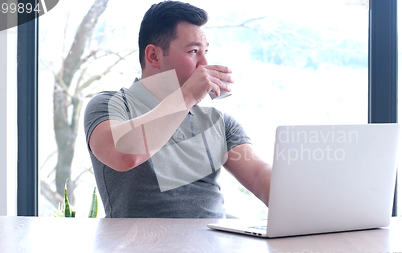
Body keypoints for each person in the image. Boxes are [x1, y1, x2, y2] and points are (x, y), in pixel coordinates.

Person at [84, 0, 271, 218]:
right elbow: (123, 154)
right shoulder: (110, 105)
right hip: (140, 248)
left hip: (214, 245)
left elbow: (258, 175)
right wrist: (188, 95)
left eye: (206, 52)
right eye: (193, 51)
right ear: (153, 56)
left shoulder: (219, 122)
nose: (205, 63)